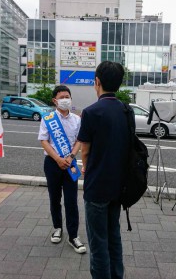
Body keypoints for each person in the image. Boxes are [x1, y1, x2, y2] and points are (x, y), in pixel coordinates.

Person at [77, 61, 131, 278]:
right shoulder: (127, 110)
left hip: (97, 187)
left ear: (97, 82)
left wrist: (86, 169)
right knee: (113, 236)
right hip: (119, 186)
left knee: (98, 242)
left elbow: (85, 153)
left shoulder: (91, 112)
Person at [38, 85, 86, 254]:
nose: (66, 99)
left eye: (68, 96)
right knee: (54, 198)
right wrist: (58, 159)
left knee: (72, 200)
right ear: (55, 100)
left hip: (70, 163)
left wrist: (71, 157)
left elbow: (80, 140)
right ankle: (57, 227)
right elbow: (44, 141)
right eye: (62, 97)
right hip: (52, 163)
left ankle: (73, 236)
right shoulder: (48, 118)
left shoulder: (77, 119)